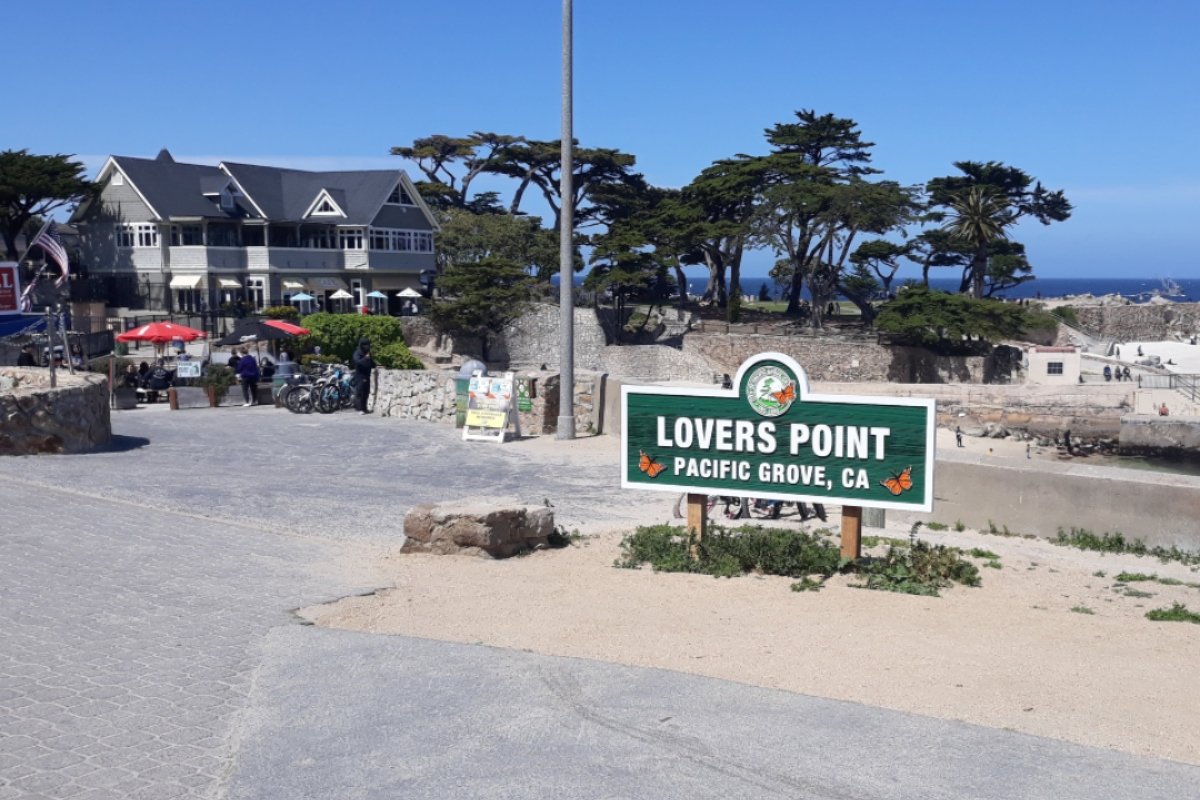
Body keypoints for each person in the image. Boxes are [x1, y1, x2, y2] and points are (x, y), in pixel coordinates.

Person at [351, 337, 375, 414]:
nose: (367, 347)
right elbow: (358, 362)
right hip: (360, 375)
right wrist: (365, 358)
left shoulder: (368, 353)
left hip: (367, 375)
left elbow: (372, 363)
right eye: (365, 345)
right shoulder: (357, 353)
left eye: (368, 345)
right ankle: (359, 408)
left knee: (366, 392)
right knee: (359, 392)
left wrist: (373, 364)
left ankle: (364, 408)